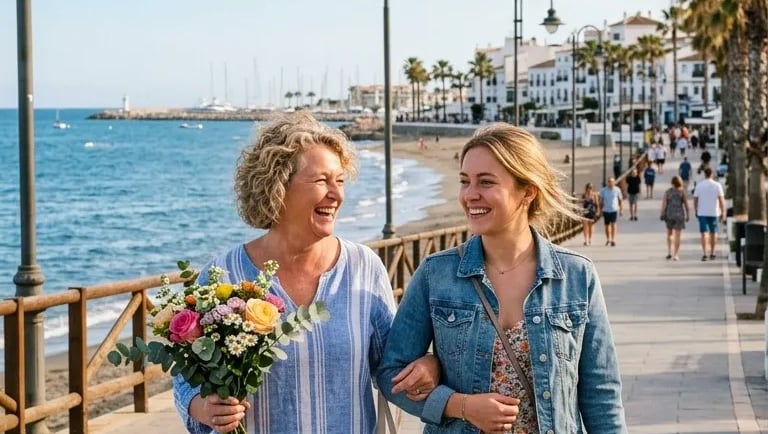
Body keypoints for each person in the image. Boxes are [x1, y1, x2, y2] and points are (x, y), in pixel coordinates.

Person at [172, 112, 438, 434]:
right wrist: (201, 406)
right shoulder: (223, 275)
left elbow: (390, 367)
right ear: (277, 187)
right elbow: (186, 377)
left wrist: (429, 365)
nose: (337, 194)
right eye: (321, 181)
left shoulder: (364, 267)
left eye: (339, 180)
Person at [377, 124, 627, 434]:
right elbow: (391, 374)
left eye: (486, 182)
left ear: (528, 192)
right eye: (465, 181)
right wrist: (461, 405)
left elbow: (601, 393)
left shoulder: (576, 276)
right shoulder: (436, 274)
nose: (470, 195)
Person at [693, 167, 726, 261]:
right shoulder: (717, 185)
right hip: (714, 212)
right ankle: (713, 252)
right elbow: (721, 200)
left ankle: (704, 253)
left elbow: (695, 199)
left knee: (704, 233)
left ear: (704, 174)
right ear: (712, 174)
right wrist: (723, 212)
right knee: (713, 232)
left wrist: (696, 209)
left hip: (702, 212)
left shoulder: (699, 185)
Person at [660, 176, 690, 261]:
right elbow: (686, 205)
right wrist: (688, 215)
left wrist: (662, 213)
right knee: (678, 235)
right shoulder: (682, 192)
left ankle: (669, 251)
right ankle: (676, 254)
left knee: (669, 234)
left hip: (669, 215)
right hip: (679, 215)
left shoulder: (668, 192)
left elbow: (664, 204)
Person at [599, 177, 624, 246]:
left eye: (612, 181)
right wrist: (600, 210)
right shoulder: (603, 190)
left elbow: (621, 200)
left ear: (614, 182)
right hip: (606, 209)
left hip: (614, 209)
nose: (611, 183)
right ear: (608, 182)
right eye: (609, 181)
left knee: (613, 224)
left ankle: (613, 239)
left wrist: (621, 209)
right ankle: (608, 239)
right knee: (607, 225)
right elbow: (601, 201)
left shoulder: (617, 190)